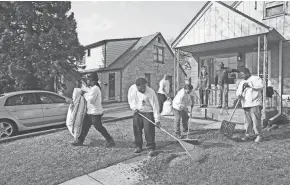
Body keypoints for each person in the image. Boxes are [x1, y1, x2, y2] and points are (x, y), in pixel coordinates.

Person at [71, 73, 115, 147]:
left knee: (99, 127)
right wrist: (81, 86)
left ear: (92, 81)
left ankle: (110, 140)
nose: (87, 81)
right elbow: (86, 90)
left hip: (96, 112)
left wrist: (84, 94)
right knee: (85, 126)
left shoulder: (95, 89)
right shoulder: (92, 88)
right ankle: (80, 141)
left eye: (88, 80)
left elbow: (91, 100)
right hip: (90, 112)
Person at [128, 78, 161, 154]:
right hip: (138, 112)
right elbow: (130, 100)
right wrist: (133, 108)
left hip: (148, 112)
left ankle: (151, 147)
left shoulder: (150, 92)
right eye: (141, 87)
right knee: (137, 129)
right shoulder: (132, 89)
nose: (143, 89)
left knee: (148, 130)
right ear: (137, 86)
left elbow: (156, 106)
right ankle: (138, 146)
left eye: (144, 86)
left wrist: (157, 120)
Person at [236, 67, 264, 142]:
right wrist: (239, 95)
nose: (241, 76)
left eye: (242, 74)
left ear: (247, 73)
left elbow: (261, 86)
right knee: (247, 121)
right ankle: (248, 134)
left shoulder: (256, 78)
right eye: (240, 75)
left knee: (256, 121)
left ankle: (259, 135)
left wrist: (249, 85)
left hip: (255, 103)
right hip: (245, 103)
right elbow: (238, 90)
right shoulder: (242, 82)